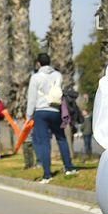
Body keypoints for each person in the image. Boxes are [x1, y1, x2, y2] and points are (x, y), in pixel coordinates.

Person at [25, 52, 78, 184]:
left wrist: (28, 115)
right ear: (49, 62)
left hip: (41, 112)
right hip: (55, 110)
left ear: (38, 63)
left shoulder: (35, 77)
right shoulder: (58, 75)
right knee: (61, 138)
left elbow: (31, 98)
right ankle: (69, 167)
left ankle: (47, 174)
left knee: (44, 142)